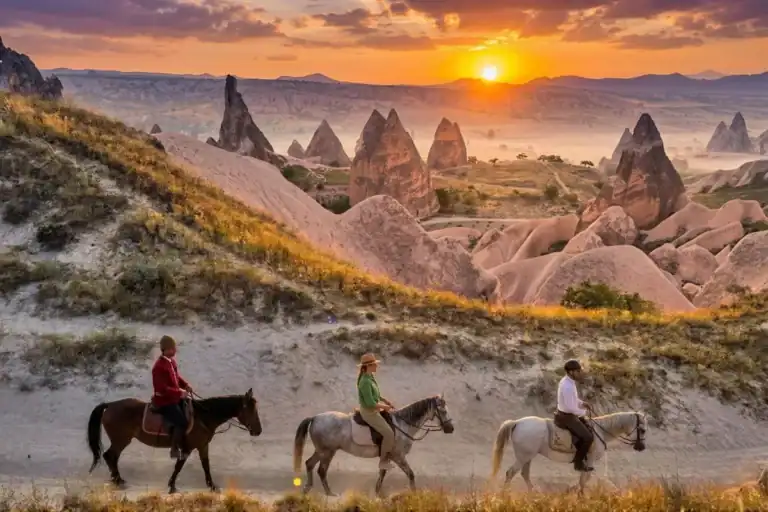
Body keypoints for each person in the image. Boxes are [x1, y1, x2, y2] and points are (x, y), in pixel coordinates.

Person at [151, 335, 194, 460]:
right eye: (173, 348)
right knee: (182, 423)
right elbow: (162, 389)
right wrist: (179, 393)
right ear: (166, 349)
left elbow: (176, 378)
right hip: (164, 401)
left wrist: (185, 385)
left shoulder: (171, 362)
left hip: (173, 397)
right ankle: (174, 449)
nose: (175, 351)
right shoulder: (158, 366)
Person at [356, 353, 396, 470]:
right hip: (369, 412)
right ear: (368, 366)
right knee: (389, 433)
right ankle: (383, 461)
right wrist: (385, 407)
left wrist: (385, 400)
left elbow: (375, 395)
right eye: (374, 365)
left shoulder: (370, 377)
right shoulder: (365, 381)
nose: (376, 367)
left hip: (375, 409)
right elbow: (370, 403)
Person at [554, 359, 594, 472]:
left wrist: (582, 403)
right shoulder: (567, 385)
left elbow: (572, 399)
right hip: (566, 416)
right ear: (571, 372)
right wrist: (583, 413)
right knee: (588, 437)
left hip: (567, 413)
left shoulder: (569, 382)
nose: (580, 373)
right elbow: (571, 408)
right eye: (578, 371)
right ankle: (578, 463)